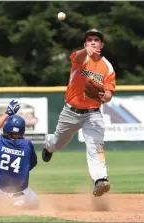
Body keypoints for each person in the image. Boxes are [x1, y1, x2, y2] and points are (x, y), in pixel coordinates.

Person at [42, 28, 116, 197]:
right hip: (71, 112)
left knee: (95, 147)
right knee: (58, 143)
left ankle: (100, 180)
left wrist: (103, 96)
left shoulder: (108, 67)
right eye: (89, 39)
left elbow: (109, 94)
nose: (92, 42)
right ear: (85, 43)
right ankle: (48, 146)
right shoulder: (79, 57)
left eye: (96, 40)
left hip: (93, 113)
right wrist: (85, 51)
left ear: (102, 44)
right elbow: (79, 57)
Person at [0, 100, 38, 208]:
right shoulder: (27, 146)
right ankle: (15, 205)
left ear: (6, 128)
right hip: (20, 197)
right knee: (35, 202)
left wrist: (8, 113)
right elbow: (33, 163)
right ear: (22, 130)